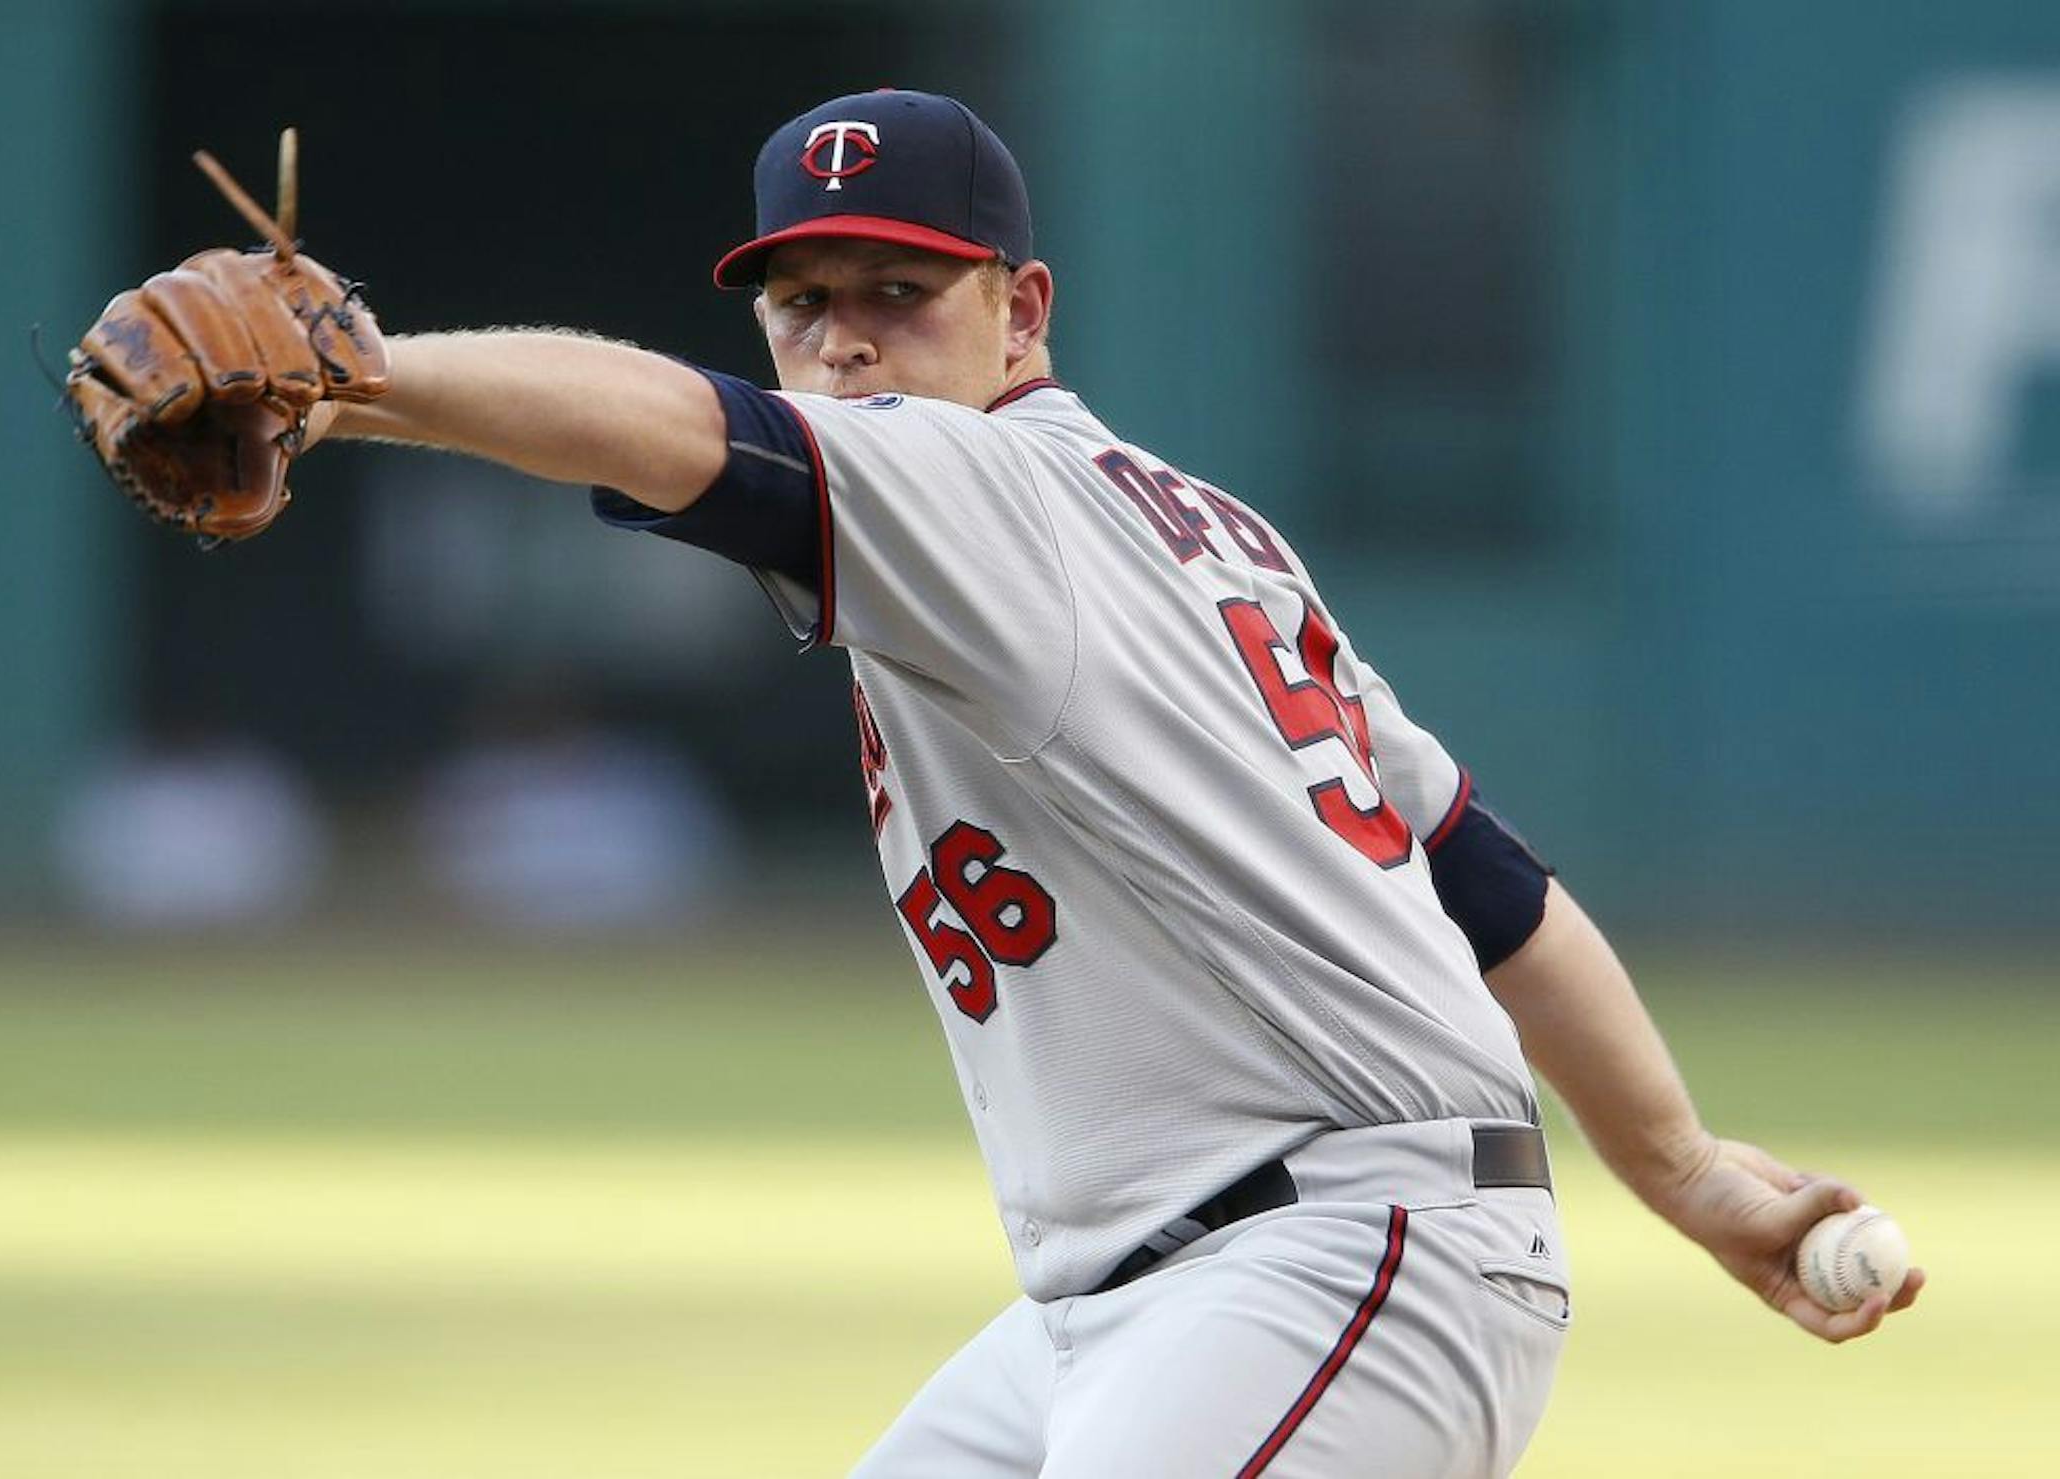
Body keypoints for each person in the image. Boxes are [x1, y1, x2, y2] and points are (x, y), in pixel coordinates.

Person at [278, 90, 1921, 1474]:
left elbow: (666, 429)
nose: (844, 345)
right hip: (1154, 1296)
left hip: (1328, 1261)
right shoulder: (1204, 535)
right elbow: (1481, 881)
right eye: (804, 304)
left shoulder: (989, 488)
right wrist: (1686, 1168)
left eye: (899, 292)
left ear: (1024, 309)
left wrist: (350, 380)